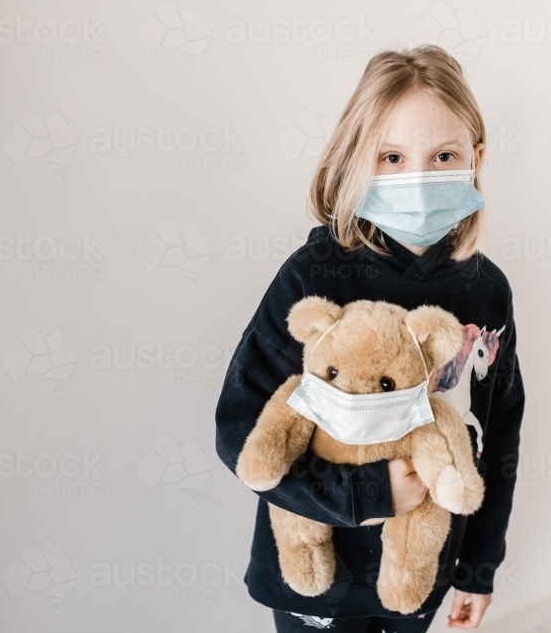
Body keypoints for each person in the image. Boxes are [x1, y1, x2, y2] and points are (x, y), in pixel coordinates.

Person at [215, 44, 525, 632]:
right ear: (358, 157)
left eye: (443, 155)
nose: (418, 176)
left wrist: (479, 566)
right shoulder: (312, 277)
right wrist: (368, 493)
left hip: (423, 573)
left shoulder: (487, 292)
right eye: (391, 156)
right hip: (317, 580)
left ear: (475, 158)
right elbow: (239, 427)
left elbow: (499, 429)